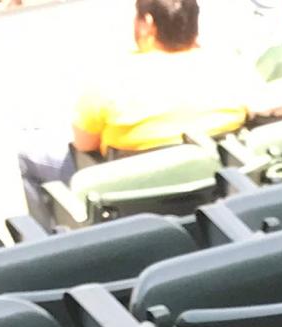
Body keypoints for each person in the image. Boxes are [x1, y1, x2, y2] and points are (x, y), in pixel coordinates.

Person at [16, 0, 251, 225]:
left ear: (147, 23)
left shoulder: (113, 79)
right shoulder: (228, 66)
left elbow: (83, 145)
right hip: (212, 188)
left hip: (126, 194)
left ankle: (49, 248)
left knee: (29, 154)